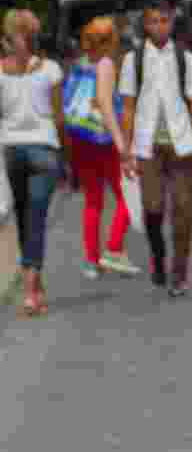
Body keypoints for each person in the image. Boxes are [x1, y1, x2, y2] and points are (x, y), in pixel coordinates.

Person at [119, 0, 192, 297]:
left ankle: (179, 273)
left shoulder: (186, 58)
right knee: (152, 208)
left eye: (165, 21)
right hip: (147, 146)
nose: (159, 26)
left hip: (180, 145)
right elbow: (128, 107)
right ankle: (158, 256)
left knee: (183, 209)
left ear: (172, 22)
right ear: (146, 24)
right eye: (154, 21)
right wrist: (127, 151)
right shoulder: (134, 60)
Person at [0, 8, 68, 316]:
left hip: (12, 150)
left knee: (25, 219)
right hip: (44, 149)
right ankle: (31, 290)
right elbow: (59, 118)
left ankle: (34, 287)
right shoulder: (51, 70)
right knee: (37, 219)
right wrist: (66, 157)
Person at [62, 15, 140, 281]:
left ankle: (91, 261)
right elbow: (106, 105)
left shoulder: (80, 64)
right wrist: (122, 144)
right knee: (129, 194)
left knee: (93, 200)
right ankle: (114, 248)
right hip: (102, 139)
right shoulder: (106, 64)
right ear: (110, 41)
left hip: (81, 137)